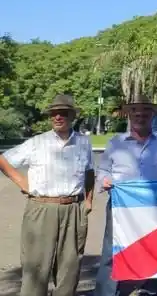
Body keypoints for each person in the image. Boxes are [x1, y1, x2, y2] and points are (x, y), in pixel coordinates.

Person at [0, 95, 94, 296]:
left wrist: (88, 200)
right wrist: (23, 183)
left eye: (63, 113)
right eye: (54, 113)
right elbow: (3, 160)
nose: (58, 117)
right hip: (41, 209)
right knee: (36, 266)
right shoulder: (37, 143)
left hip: (73, 210)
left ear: (72, 116)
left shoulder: (84, 143)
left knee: (70, 267)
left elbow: (89, 172)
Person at [96, 94, 157, 296]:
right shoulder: (115, 143)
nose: (140, 115)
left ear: (153, 116)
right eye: (135, 111)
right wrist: (104, 181)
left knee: (155, 248)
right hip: (121, 206)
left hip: (153, 207)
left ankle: (153, 290)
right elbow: (103, 170)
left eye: (146, 111)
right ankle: (107, 292)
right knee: (113, 250)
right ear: (129, 114)